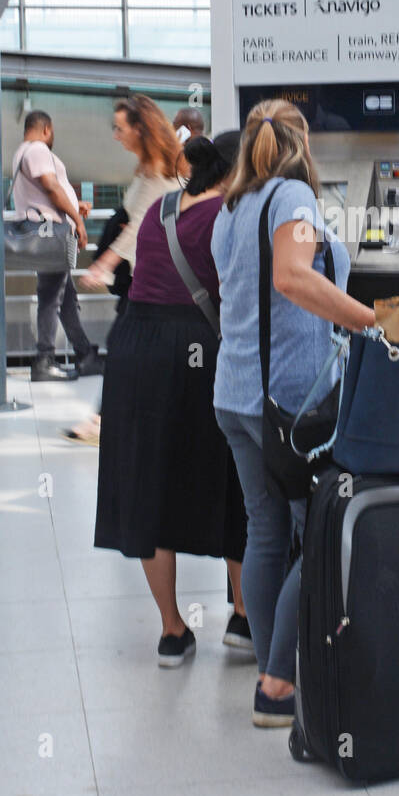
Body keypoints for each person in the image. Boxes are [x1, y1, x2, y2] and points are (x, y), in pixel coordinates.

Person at [211, 100, 375, 727]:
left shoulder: (233, 207)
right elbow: (291, 277)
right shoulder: (296, 203)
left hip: (237, 395)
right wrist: (372, 321)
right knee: (321, 529)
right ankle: (279, 685)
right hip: (294, 406)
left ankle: (267, 670)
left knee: (266, 532)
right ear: (302, 146)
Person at [95, 131, 251, 664]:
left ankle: (172, 630)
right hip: (199, 350)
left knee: (149, 486)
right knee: (234, 480)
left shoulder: (163, 206)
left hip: (136, 348)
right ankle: (245, 620)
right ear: (236, 173)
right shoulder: (230, 216)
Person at [70, 96, 182, 445]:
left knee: (124, 347)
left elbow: (139, 229)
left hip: (150, 282)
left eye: (120, 128)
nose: (116, 135)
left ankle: (106, 419)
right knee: (128, 348)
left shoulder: (160, 173)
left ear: (139, 128)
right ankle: (109, 418)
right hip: (144, 280)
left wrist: (104, 265)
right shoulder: (150, 168)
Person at [11, 110, 99, 383]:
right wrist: (77, 221)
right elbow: (50, 187)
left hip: (47, 233)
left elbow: (45, 191)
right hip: (50, 233)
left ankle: (86, 355)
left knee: (65, 297)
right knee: (51, 296)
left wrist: (75, 205)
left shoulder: (22, 152)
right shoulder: (37, 149)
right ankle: (44, 360)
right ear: (46, 129)